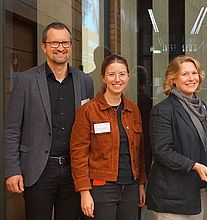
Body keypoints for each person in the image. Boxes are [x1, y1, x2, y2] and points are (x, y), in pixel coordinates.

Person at [4, 22, 94, 220]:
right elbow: (12, 129)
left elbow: (88, 126)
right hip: (38, 168)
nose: (60, 48)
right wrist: (12, 170)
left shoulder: (84, 81)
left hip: (74, 170)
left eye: (65, 43)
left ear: (71, 46)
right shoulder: (25, 81)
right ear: (44, 46)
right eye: (54, 43)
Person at [70, 54, 147, 220]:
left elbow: (139, 152)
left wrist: (141, 184)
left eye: (122, 74)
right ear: (103, 78)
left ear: (128, 77)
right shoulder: (88, 110)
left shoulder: (133, 109)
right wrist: (84, 192)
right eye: (111, 74)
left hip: (131, 187)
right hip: (101, 187)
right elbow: (78, 154)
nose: (117, 79)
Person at [146, 55, 207, 220]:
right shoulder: (163, 110)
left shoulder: (203, 107)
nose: (191, 78)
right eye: (184, 74)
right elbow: (162, 151)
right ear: (173, 79)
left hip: (198, 189)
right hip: (172, 195)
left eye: (194, 73)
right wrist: (194, 166)